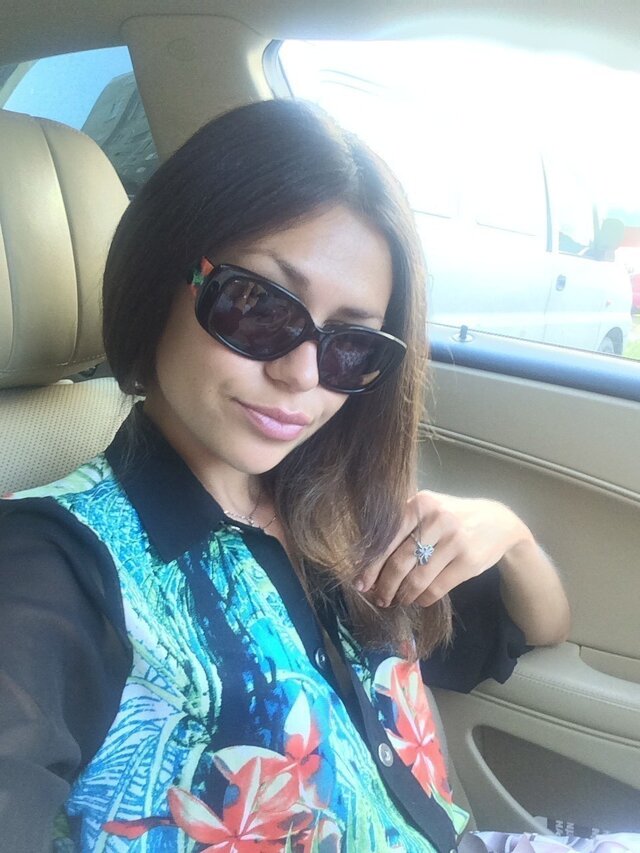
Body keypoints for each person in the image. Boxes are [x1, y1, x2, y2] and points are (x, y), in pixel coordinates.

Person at [0, 99, 573, 852]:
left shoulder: (343, 512)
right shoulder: (52, 563)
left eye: (351, 344)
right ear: (163, 275)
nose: (302, 374)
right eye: (256, 306)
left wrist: (511, 534)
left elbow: (531, 631)